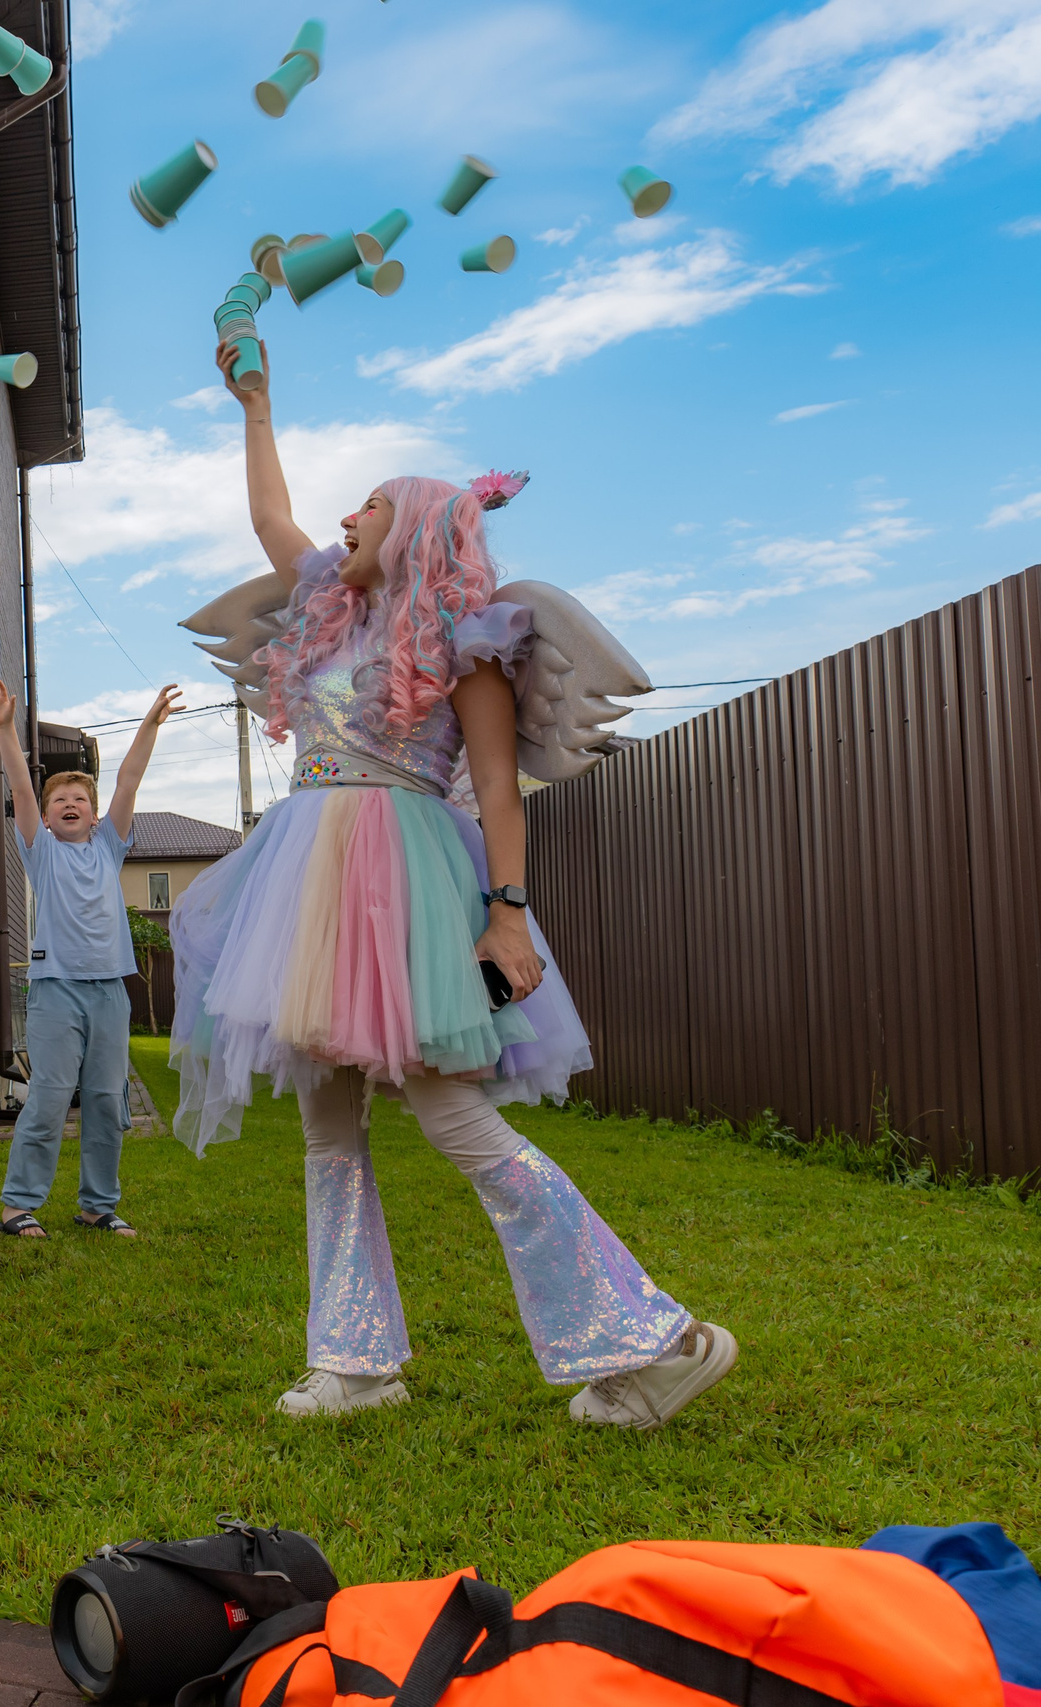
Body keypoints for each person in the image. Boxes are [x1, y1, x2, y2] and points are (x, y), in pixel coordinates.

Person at [173, 339, 735, 1428]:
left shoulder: (470, 650)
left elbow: (501, 792)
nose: (345, 519)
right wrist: (256, 408)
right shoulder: (329, 614)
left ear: (420, 526)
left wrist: (507, 917)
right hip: (304, 887)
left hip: (404, 888)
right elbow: (270, 523)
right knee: (327, 1128)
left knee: (452, 1120)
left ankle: (658, 1340)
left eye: (370, 506)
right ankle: (352, 1361)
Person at [0, 679, 178, 1240]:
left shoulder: (110, 846)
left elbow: (130, 779)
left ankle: (97, 1205)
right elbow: (21, 785)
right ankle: (19, 1206)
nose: (70, 804)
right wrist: (2, 727)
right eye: (59, 800)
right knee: (46, 1100)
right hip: (56, 991)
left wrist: (150, 726)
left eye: (80, 800)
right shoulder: (40, 852)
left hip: (110, 993)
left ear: (95, 817)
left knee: (105, 1102)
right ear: (44, 819)